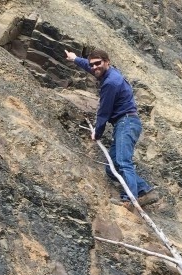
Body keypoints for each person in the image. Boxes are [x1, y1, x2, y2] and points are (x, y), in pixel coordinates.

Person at [64, 48, 159, 210]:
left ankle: (130, 199)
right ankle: (144, 190)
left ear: (107, 62)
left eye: (98, 64)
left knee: (123, 162)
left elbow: (104, 111)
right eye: (92, 64)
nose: (94, 67)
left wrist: (97, 131)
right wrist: (75, 59)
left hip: (126, 123)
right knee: (112, 167)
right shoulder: (107, 71)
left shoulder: (110, 83)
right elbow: (93, 68)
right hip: (125, 123)